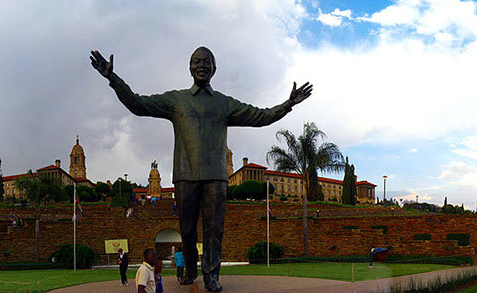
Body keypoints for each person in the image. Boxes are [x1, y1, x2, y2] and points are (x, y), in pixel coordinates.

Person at [90, 47, 312, 292]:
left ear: (214, 68)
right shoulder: (176, 100)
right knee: (186, 229)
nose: (201, 65)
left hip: (216, 176)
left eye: (206, 62)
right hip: (186, 175)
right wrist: (112, 78)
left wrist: (289, 103)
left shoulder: (224, 103)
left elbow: (260, 116)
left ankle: (211, 275)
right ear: (190, 68)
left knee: (214, 229)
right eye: (196, 62)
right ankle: (191, 270)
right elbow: (138, 104)